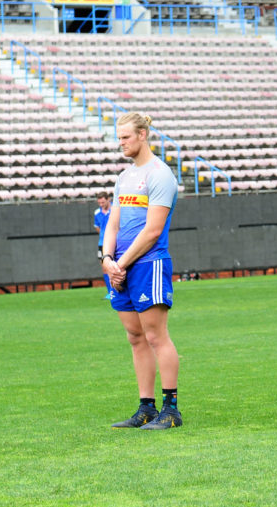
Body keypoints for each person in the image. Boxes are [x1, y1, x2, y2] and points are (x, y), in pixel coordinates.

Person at [102, 112, 181, 430]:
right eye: (118, 137)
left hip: (149, 264)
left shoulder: (160, 175)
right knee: (135, 337)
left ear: (143, 134)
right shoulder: (123, 177)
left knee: (155, 336)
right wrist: (106, 258)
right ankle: (146, 408)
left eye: (125, 137)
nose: (120, 143)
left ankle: (171, 410)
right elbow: (113, 223)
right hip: (119, 267)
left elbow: (152, 231)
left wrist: (119, 264)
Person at [94, 192, 112, 296]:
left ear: (108, 199)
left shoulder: (115, 209)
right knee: (104, 267)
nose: (101, 204)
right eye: (99, 202)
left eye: (103, 202)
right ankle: (110, 292)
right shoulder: (97, 212)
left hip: (115, 242)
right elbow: (97, 226)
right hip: (102, 243)